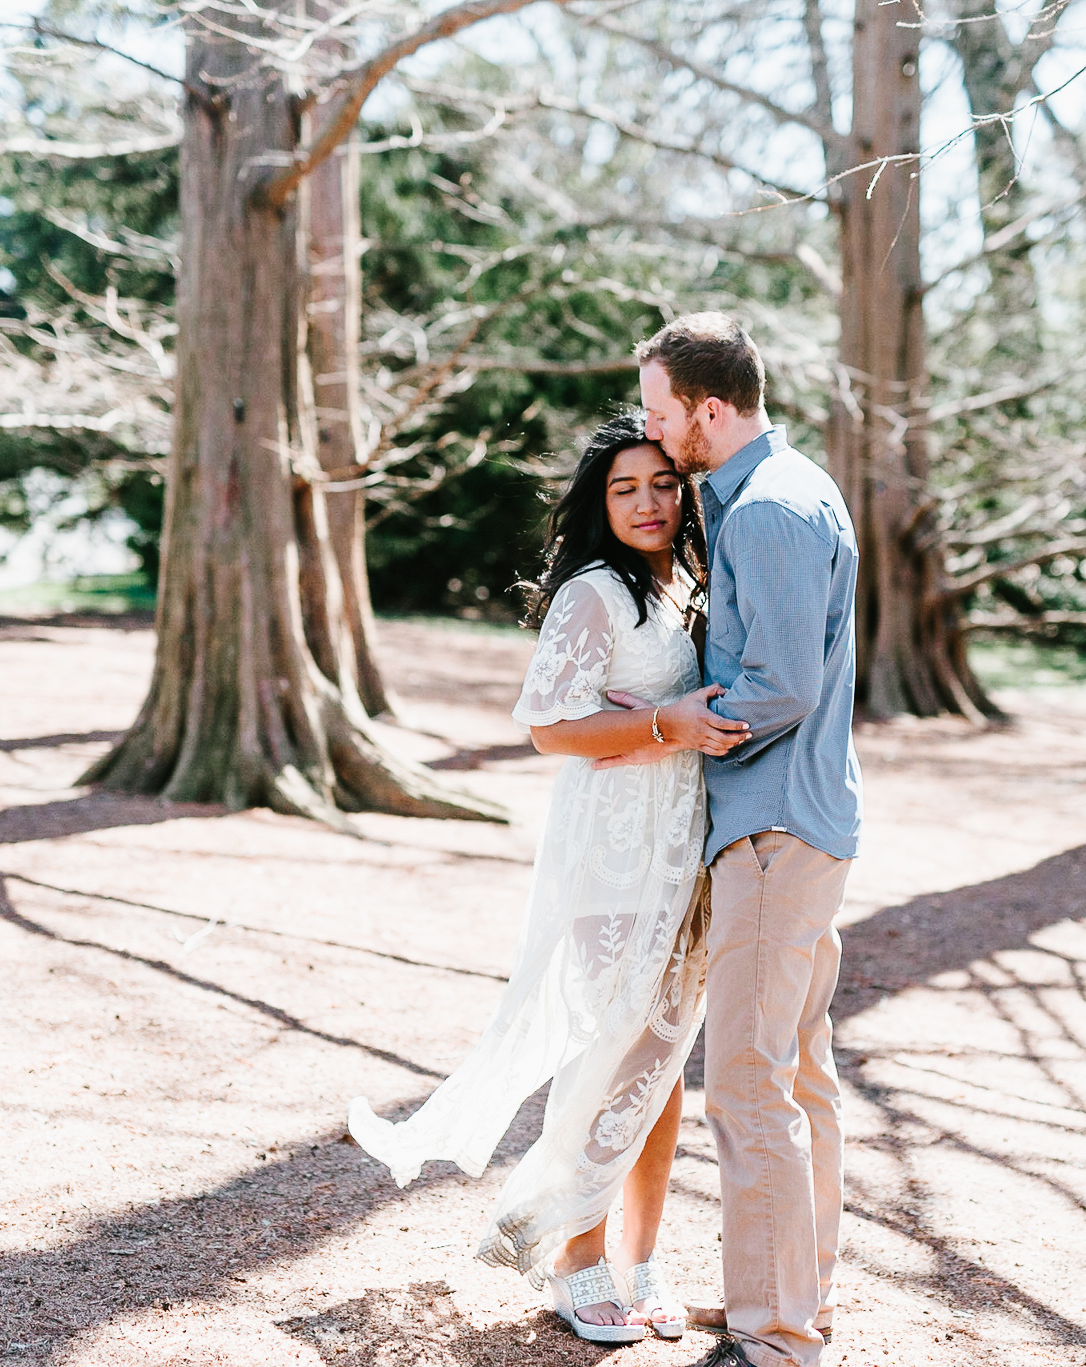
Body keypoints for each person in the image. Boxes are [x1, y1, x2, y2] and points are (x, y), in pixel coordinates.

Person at [347, 412, 750, 1344]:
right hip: (612, 861)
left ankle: (643, 1259)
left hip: (679, 858)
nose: (648, 502)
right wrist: (665, 724)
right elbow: (549, 727)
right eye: (624, 489)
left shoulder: (685, 583)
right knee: (605, 1063)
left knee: (659, 1077)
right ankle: (575, 1261)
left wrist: (669, 722)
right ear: (598, 504)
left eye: (661, 484)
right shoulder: (595, 595)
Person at [610, 313, 864, 1367]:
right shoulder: (785, 488)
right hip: (805, 821)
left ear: (709, 410)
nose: (653, 433)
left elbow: (784, 686)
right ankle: (793, 1299)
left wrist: (682, 717)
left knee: (753, 1087)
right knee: (798, 1075)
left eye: (662, 413)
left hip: (771, 828)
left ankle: (773, 1335)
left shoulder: (765, 510)